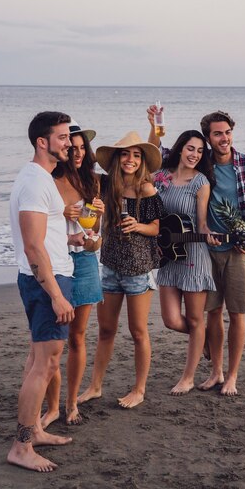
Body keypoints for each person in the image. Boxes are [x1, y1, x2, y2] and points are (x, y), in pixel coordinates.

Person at [148, 107, 245, 397]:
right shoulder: (202, 167)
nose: (224, 138)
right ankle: (215, 370)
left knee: (237, 314)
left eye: (227, 132)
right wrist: (156, 123)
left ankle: (231, 376)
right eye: (218, 134)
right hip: (204, 249)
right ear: (208, 138)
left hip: (238, 249)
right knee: (212, 314)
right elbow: (158, 153)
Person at [8, 111, 85, 473]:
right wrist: (56, 294)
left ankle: (34, 429)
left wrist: (69, 238)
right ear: (43, 142)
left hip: (46, 275)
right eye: (62, 137)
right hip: (47, 281)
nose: (69, 142)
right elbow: (33, 246)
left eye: (68, 137)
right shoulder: (37, 182)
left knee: (37, 359)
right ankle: (22, 446)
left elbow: (44, 236)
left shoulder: (37, 177)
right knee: (47, 364)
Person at [78, 132, 164, 408]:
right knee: (105, 330)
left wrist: (137, 226)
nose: (131, 159)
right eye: (125, 154)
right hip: (111, 266)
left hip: (138, 269)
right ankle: (95, 386)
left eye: (137, 155)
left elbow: (156, 229)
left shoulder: (147, 190)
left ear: (142, 162)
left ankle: (139, 389)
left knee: (138, 331)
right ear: (116, 158)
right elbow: (88, 225)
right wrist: (93, 212)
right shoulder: (103, 186)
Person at [41, 120, 105, 428]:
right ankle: (52, 406)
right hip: (55, 262)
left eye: (82, 148)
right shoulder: (48, 182)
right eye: (72, 147)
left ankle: (70, 404)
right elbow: (39, 232)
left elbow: (95, 240)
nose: (77, 153)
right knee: (56, 340)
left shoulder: (92, 182)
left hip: (85, 264)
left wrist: (93, 237)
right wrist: (61, 216)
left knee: (78, 337)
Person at [153, 130, 217, 395]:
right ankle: (202, 339)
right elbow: (149, 153)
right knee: (170, 320)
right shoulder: (161, 177)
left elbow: (201, 222)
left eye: (200, 151)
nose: (195, 155)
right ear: (180, 149)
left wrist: (208, 233)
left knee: (194, 318)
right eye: (191, 149)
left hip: (194, 255)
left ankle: (188, 377)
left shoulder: (200, 182)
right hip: (169, 255)